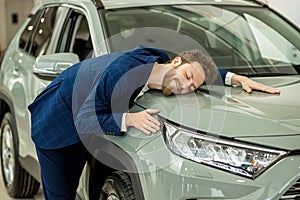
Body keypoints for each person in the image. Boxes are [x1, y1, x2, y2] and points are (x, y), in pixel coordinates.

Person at [28, 45, 279, 200]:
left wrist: (237, 79)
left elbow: (200, 72)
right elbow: (83, 119)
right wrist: (130, 118)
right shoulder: (123, 74)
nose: (187, 87)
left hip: (86, 120)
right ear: (177, 62)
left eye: (194, 85)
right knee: (60, 196)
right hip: (56, 123)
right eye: (188, 77)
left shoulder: (158, 61)